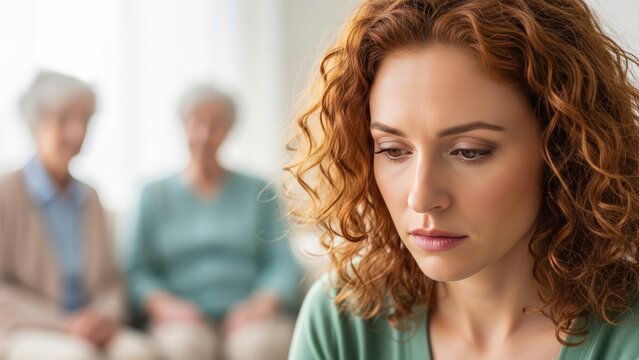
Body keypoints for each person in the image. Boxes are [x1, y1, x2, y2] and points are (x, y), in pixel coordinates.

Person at [285, 0, 639, 359]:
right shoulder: (344, 320)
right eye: (393, 150)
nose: (420, 198)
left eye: (469, 151)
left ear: (563, 148)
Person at [127, 84, 301, 360]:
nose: (205, 135)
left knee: (258, 347)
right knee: (184, 347)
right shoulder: (153, 195)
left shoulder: (259, 191)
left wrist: (260, 304)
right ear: (183, 126)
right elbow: (136, 270)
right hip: (181, 317)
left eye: (216, 124)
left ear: (229, 130)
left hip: (249, 315)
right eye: (196, 122)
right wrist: (166, 306)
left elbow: (283, 263)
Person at [0, 71, 157, 359]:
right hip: (25, 327)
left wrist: (103, 317)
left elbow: (111, 281)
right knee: (75, 356)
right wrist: (64, 324)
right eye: (64, 120)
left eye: (84, 120)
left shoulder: (91, 197)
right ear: (36, 124)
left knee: (138, 351)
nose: (77, 132)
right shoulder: (6, 194)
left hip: (89, 328)